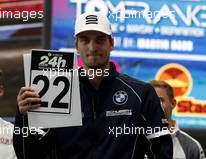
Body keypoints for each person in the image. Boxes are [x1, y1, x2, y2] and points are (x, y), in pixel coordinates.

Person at [13, 11, 173, 159]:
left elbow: (161, 151)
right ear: (76, 45)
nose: (92, 47)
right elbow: (29, 155)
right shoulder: (55, 90)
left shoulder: (140, 93)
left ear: (112, 43)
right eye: (85, 40)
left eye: (100, 39)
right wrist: (24, 116)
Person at [149, 80, 206, 159]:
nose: (154, 105)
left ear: (173, 103)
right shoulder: (130, 141)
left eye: (160, 100)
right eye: (149, 101)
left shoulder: (192, 147)